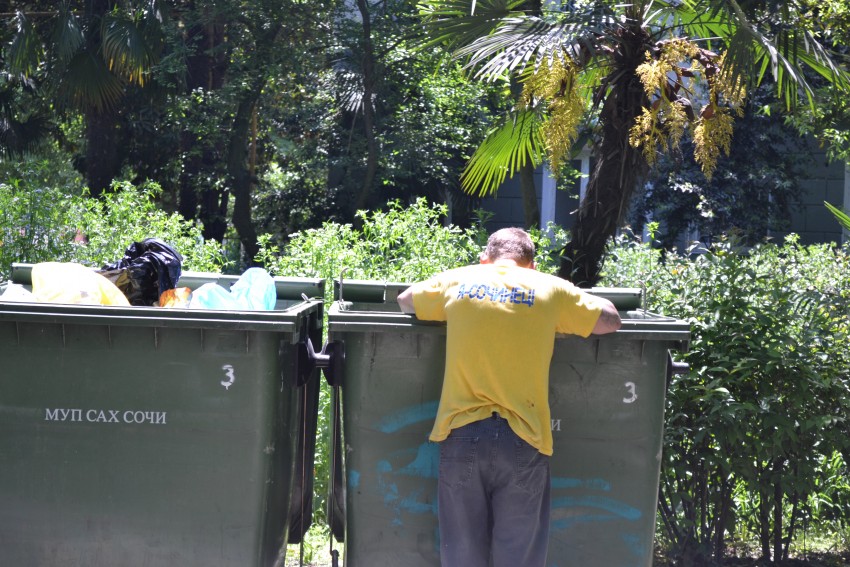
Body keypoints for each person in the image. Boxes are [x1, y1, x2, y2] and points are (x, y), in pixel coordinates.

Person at [397, 227, 621, 567]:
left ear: (485, 258)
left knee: (461, 556)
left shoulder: (459, 279)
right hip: (524, 436)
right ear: (531, 264)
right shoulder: (549, 287)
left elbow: (405, 300)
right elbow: (610, 320)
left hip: (462, 432)